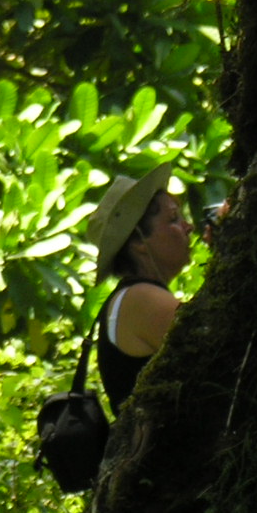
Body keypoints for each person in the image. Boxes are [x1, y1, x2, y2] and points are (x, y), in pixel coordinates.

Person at [86, 162, 196, 413]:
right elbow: (220, 343)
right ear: (139, 242)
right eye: (173, 219)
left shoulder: (130, 297)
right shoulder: (141, 298)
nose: (188, 227)